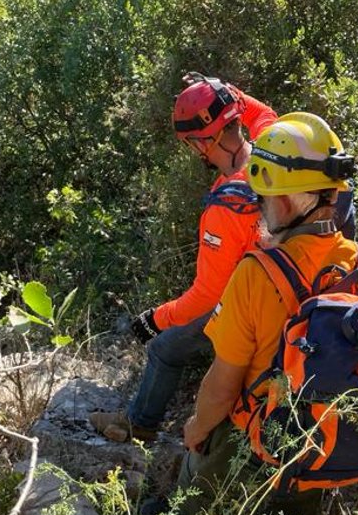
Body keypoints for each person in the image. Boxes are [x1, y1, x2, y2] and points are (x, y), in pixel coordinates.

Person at [174, 112, 358, 515]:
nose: (261, 210)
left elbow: (222, 386)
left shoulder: (256, 274)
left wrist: (196, 429)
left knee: (190, 508)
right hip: (335, 449)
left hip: (256, 445)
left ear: (286, 203)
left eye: (263, 200)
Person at [89, 72, 277, 443]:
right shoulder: (273, 146)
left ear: (201, 143)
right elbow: (262, 112)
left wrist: (155, 319)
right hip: (285, 289)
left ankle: (140, 425)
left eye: (193, 143)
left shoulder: (226, 207)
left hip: (247, 306)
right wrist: (221, 90)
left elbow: (207, 296)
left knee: (165, 346)